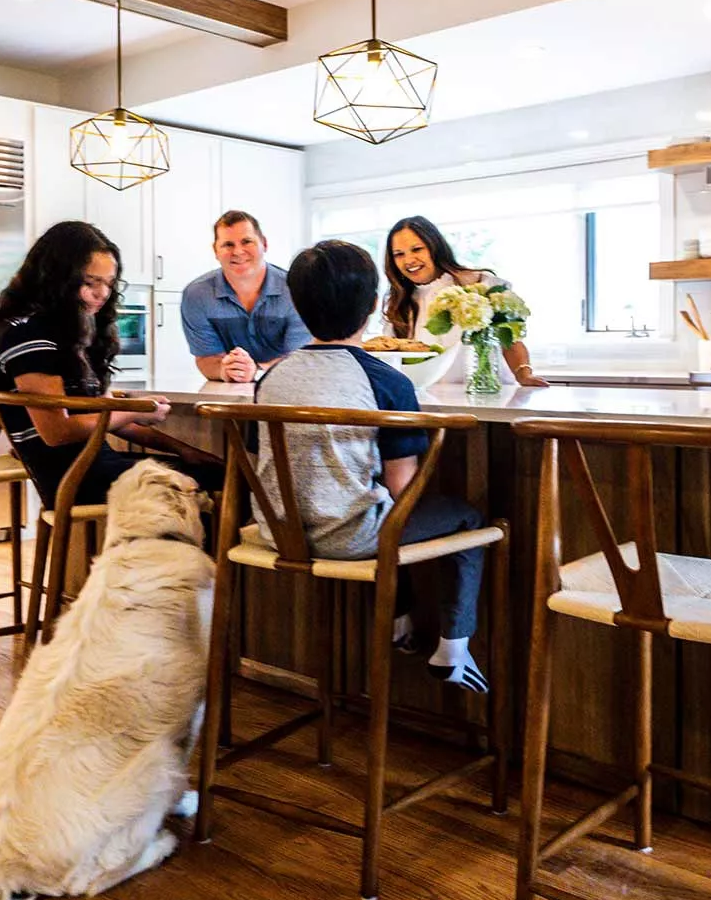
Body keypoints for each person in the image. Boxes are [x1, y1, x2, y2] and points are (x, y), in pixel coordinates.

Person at [252, 239, 491, 693]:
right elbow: (403, 494)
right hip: (351, 539)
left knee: (377, 504)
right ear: (371, 308)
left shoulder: (272, 377)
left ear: (299, 308)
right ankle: (454, 648)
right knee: (463, 518)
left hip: (277, 532)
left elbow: (261, 461)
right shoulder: (386, 380)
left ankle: (399, 620)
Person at [0, 220, 221, 508]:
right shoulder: (28, 335)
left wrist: (183, 450)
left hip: (95, 468)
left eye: (110, 283)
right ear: (56, 279)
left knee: (213, 470)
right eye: (90, 282)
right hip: (76, 480)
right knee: (224, 481)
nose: (103, 293)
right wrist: (129, 410)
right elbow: (57, 432)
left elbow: (109, 420)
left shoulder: (66, 336)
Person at [382, 215, 549, 387]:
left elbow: (510, 339)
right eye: (399, 254)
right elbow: (389, 358)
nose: (409, 260)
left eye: (417, 249)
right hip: (427, 400)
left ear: (435, 247)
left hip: (487, 393)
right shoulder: (398, 302)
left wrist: (523, 374)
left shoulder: (479, 283)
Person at [179, 210, 312, 383]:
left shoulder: (295, 289)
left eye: (247, 241)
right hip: (229, 391)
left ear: (264, 244)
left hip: (286, 385)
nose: (238, 251)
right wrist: (224, 370)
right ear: (215, 251)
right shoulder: (196, 295)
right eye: (228, 244)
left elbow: (300, 357)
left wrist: (256, 372)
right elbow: (206, 357)